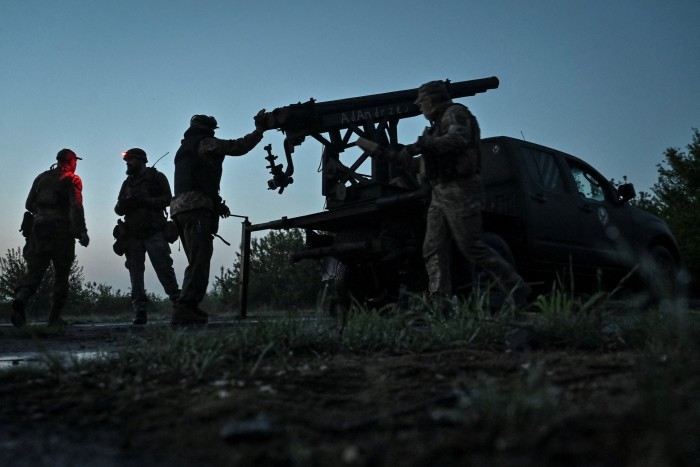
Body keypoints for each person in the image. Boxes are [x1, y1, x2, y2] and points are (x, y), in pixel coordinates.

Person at [366, 81, 529, 314]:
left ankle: (515, 287)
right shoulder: (434, 128)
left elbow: (458, 139)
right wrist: (398, 158)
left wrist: (423, 144)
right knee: (433, 247)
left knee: (471, 247)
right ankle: (439, 302)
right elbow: (426, 164)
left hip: (460, 189)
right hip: (439, 192)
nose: (420, 108)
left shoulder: (455, 114)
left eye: (422, 103)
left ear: (432, 100)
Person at [169, 111, 271, 325]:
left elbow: (196, 178)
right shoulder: (206, 143)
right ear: (208, 130)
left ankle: (188, 306)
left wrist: (216, 203)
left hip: (180, 209)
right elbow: (239, 146)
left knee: (195, 260)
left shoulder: (183, 149)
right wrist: (260, 130)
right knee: (200, 260)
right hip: (196, 208)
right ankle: (186, 307)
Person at [11, 149, 90, 327]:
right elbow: (76, 206)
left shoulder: (41, 178)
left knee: (34, 272)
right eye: (75, 162)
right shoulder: (73, 179)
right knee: (61, 275)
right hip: (61, 232)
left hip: (38, 231)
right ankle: (54, 318)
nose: (76, 165)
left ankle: (21, 298)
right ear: (70, 162)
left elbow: (28, 204)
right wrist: (82, 231)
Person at [114, 148, 181, 325]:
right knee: (135, 274)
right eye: (127, 161)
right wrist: (126, 204)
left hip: (154, 230)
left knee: (164, 268)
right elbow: (117, 208)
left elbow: (168, 199)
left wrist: (145, 200)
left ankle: (178, 305)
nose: (128, 164)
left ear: (141, 160)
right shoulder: (127, 183)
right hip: (133, 234)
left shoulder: (156, 177)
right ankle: (140, 311)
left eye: (131, 160)